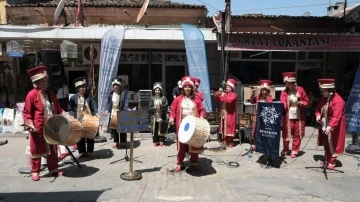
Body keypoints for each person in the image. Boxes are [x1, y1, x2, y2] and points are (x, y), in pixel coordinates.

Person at [23, 65, 65, 181]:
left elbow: (57, 107)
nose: (45, 83)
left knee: (52, 148)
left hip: (51, 126)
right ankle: (35, 171)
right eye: (42, 81)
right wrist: (29, 124)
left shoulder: (50, 93)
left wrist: (63, 113)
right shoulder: (32, 94)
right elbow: (27, 111)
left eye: (45, 81)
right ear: (36, 82)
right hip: (38, 126)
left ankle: (53, 169)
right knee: (36, 149)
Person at [169, 76, 205, 172]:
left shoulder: (197, 99)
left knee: (193, 143)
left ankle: (194, 162)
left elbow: (202, 109)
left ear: (192, 88)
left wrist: (201, 116)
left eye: (189, 87)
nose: (187, 89)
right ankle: (180, 162)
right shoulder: (177, 99)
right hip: (182, 125)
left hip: (194, 125)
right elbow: (172, 109)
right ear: (183, 88)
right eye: (185, 87)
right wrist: (171, 117)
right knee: (182, 145)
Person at [315, 79, 346, 170]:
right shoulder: (324, 99)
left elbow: (336, 116)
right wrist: (318, 115)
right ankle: (327, 159)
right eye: (322, 91)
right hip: (326, 122)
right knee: (326, 141)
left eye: (324, 91)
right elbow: (318, 109)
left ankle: (332, 161)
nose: (322, 93)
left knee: (333, 142)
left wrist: (330, 126)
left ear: (330, 91)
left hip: (336, 124)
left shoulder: (338, 100)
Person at [68, 77, 98, 158]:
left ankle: (90, 151)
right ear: (77, 88)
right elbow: (70, 108)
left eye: (84, 87)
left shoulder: (89, 96)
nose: (84, 88)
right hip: (79, 118)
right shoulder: (73, 97)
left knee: (90, 134)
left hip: (89, 117)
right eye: (82, 87)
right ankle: (82, 152)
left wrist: (96, 113)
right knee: (80, 135)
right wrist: (72, 116)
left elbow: (94, 105)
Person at [280, 72, 309, 158]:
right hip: (288, 116)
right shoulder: (284, 92)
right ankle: (285, 149)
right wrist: (284, 106)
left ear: (293, 83)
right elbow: (283, 101)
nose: (287, 85)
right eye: (285, 83)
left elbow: (306, 100)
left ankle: (295, 150)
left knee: (297, 132)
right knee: (286, 133)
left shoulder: (300, 90)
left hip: (298, 115)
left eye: (288, 83)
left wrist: (301, 102)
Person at [250, 79, 273, 150]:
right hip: (258, 116)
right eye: (263, 90)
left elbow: (269, 105)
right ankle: (255, 143)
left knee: (264, 131)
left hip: (265, 118)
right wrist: (252, 95)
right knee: (256, 130)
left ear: (268, 91)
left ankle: (263, 144)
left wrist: (266, 99)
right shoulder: (258, 97)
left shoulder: (269, 97)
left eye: (266, 90)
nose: (264, 92)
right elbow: (252, 101)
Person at [214, 79, 238, 148]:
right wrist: (216, 94)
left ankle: (230, 141)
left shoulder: (234, 95)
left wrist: (223, 95)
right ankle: (224, 140)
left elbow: (229, 101)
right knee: (223, 127)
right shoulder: (225, 94)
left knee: (230, 127)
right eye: (227, 87)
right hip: (223, 113)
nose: (227, 88)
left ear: (232, 88)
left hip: (230, 114)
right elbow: (217, 99)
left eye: (229, 87)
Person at [107, 77, 129, 148]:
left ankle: (123, 141)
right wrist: (108, 109)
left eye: (117, 85)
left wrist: (125, 110)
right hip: (113, 112)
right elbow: (109, 103)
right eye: (114, 85)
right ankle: (116, 141)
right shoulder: (111, 94)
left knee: (122, 127)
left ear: (119, 86)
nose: (115, 87)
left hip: (121, 112)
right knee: (115, 128)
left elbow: (126, 102)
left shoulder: (123, 93)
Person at [149, 82, 168, 147]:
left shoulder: (163, 98)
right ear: (154, 90)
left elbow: (166, 105)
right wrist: (153, 108)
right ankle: (155, 140)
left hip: (161, 115)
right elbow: (150, 107)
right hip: (155, 116)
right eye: (156, 90)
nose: (157, 91)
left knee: (161, 128)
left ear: (161, 90)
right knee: (155, 128)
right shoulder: (152, 98)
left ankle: (162, 140)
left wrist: (161, 107)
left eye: (159, 90)